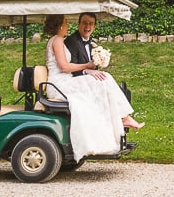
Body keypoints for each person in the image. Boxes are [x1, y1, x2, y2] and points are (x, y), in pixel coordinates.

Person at [43, 14, 144, 161]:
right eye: (66, 23)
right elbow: (64, 67)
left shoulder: (57, 40)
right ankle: (123, 117)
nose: (68, 26)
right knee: (103, 80)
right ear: (60, 25)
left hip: (65, 81)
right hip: (60, 84)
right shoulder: (58, 40)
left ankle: (122, 117)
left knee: (103, 79)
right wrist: (87, 66)